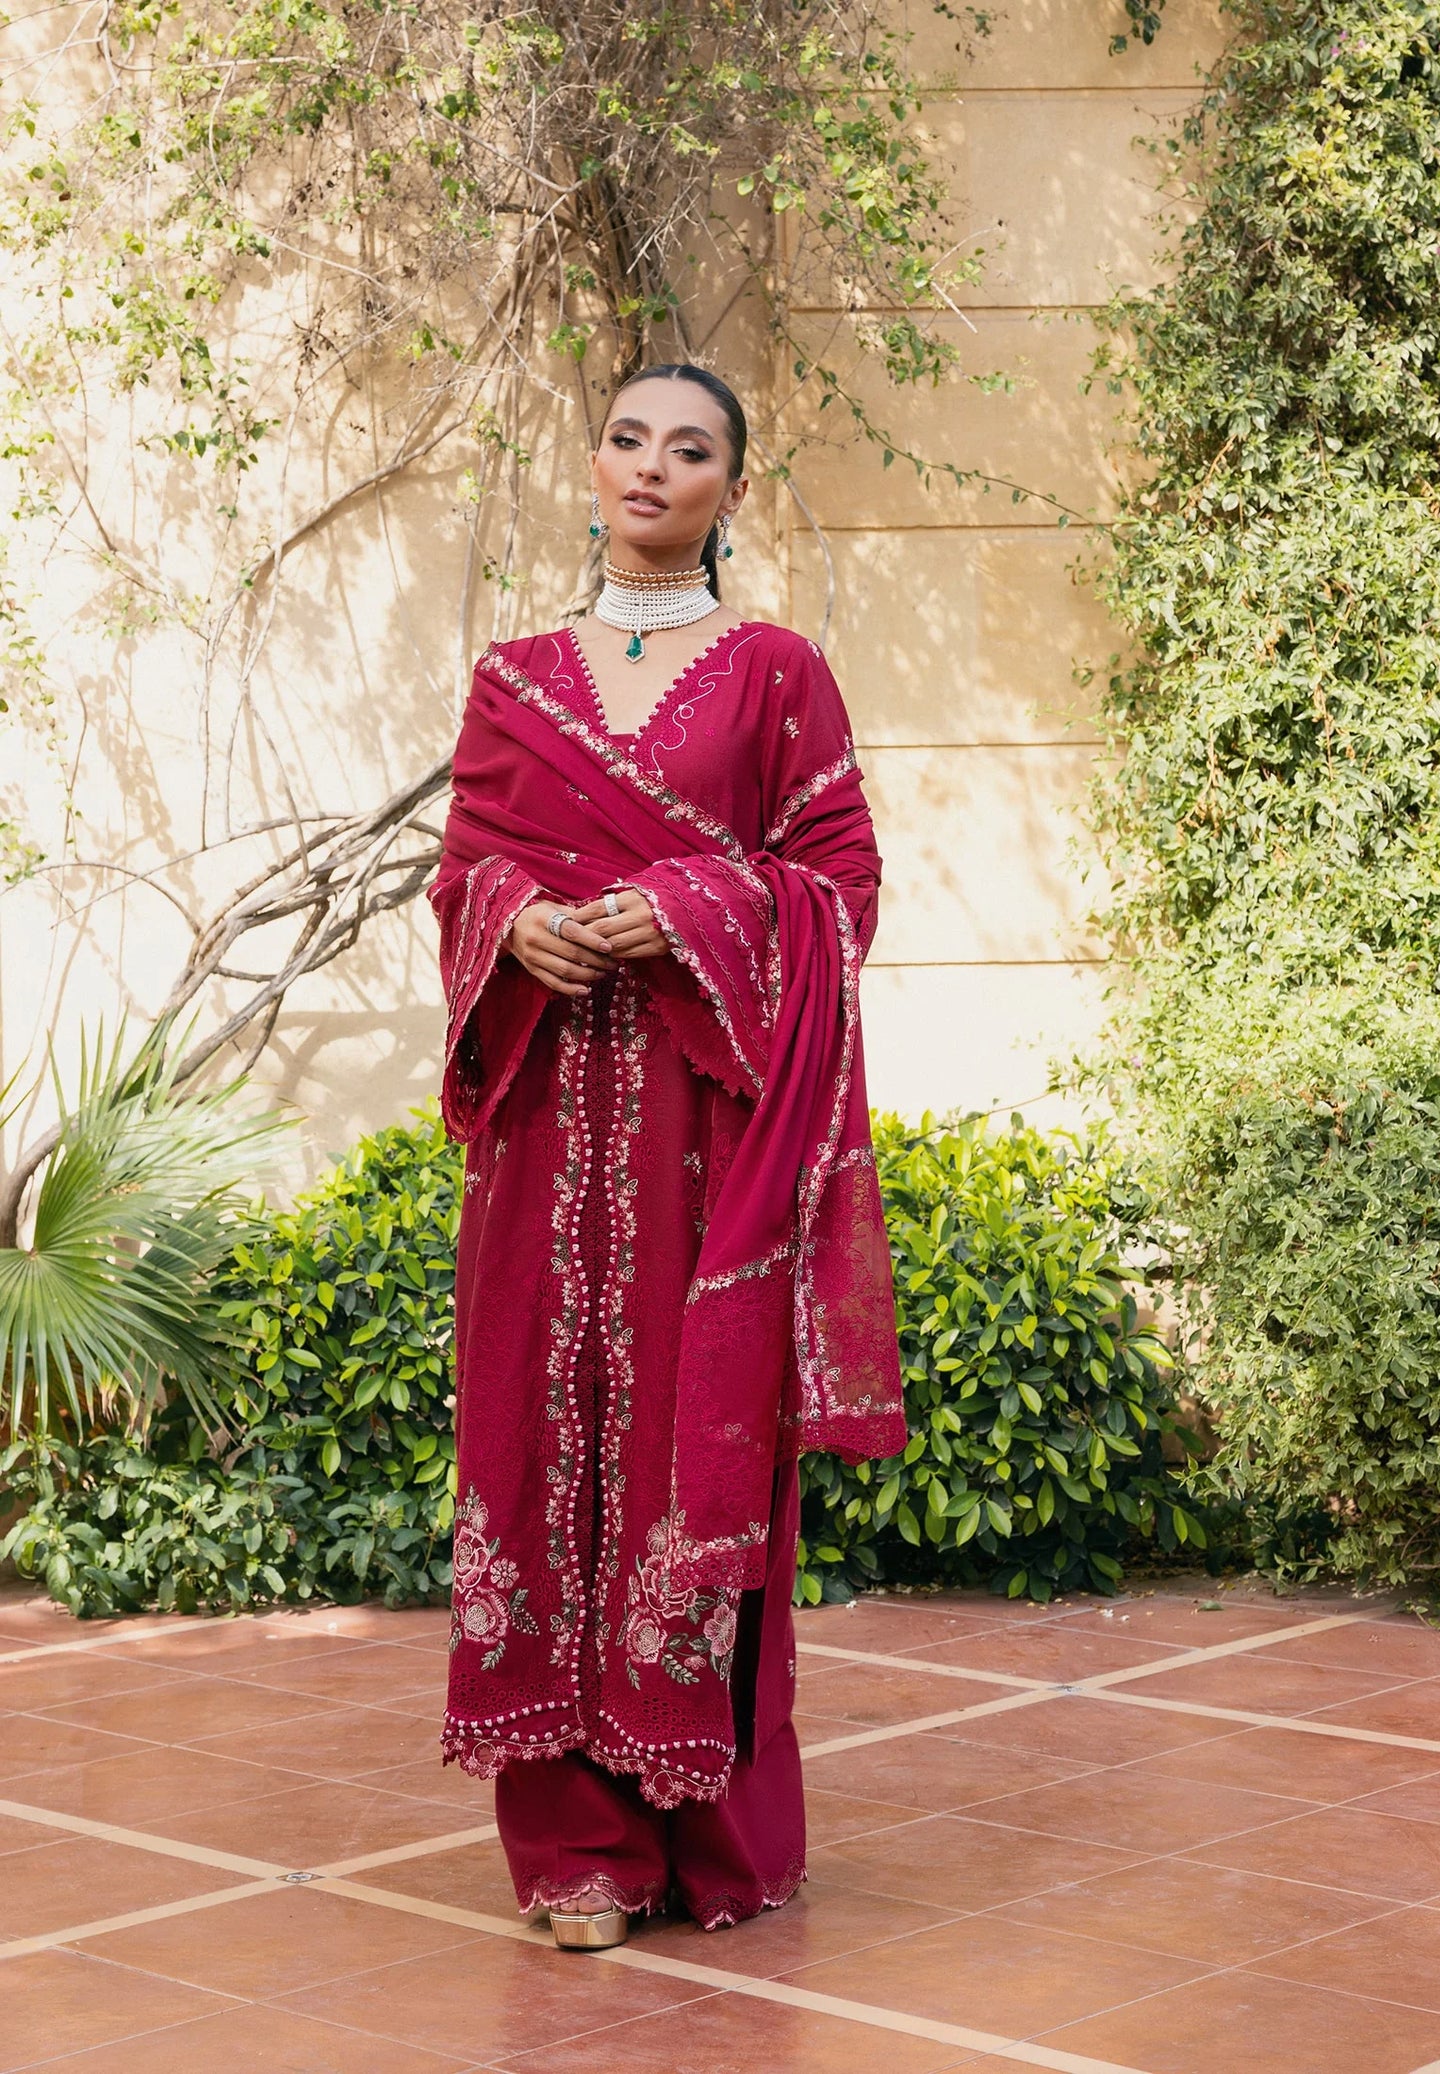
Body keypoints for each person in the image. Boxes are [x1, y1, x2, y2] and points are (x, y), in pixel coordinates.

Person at [429, 362, 905, 1951]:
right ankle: (573, 1851)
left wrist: (697, 910)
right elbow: (462, 878)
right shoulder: (513, 679)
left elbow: (838, 888)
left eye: (687, 448)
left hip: (712, 1152)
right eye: (627, 438)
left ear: (729, 489)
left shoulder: (776, 674)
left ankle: (701, 1833)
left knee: (688, 1459)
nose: (650, 466)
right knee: (534, 1448)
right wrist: (523, 926)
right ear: (590, 464)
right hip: (548, 1134)